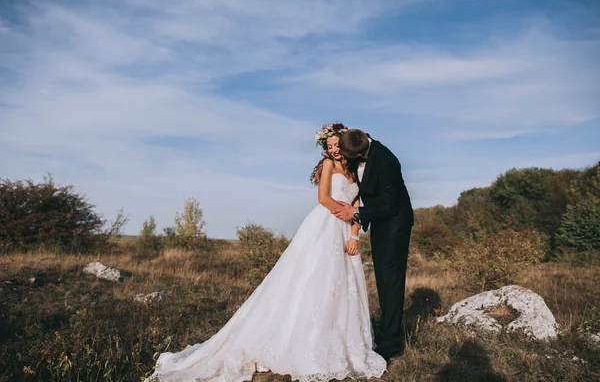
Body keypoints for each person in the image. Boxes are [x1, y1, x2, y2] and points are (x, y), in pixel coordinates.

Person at [148, 123, 386, 382]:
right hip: (326, 225)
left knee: (344, 285)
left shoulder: (353, 169)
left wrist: (354, 234)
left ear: (344, 144)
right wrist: (342, 212)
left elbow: (357, 203)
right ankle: (306, 340)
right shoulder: (328, 166)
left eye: (337, 146)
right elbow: (323, 198)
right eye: (329, 148)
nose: (334, 151)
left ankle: (341, 340)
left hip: (345, 230)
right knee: (317, 281)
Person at [332, 129, 414, 361]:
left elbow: (390, 205)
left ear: (360, 154)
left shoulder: (387, 161)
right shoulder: (355, 139)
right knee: (382, 277)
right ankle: (387, 331)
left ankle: (392, 343)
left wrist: (355, 211)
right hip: (379, 221)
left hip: (394, 225)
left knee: (391, 280)